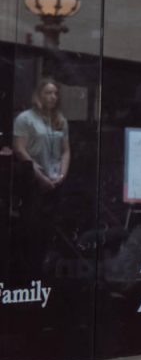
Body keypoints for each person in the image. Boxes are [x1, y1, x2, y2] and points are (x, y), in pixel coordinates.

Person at [13, 78, 69, 241]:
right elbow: (19, 149)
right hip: (34, 180)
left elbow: (66, 151)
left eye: (56, 93)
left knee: (51, 228)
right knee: (32, 228)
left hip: (55, 181)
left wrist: (62, 175)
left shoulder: (60, 120)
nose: (53, 97)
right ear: (39, 95)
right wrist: (40, 177)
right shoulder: (25, 119)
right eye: (48, 93)